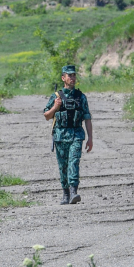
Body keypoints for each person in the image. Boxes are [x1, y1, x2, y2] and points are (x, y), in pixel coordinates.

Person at [43, 65, 93, 205]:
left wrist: (90, 138)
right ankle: (65, 193)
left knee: (74, 162)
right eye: (69, 75)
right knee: (63, 166)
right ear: (63, 78)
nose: (72, 78)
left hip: (76, 134)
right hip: (60, 136)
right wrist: (55, 107)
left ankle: (73, 192)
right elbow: (47, 116)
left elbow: (87, 118)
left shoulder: (81, 97)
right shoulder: (56, 96)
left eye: (74, 75)